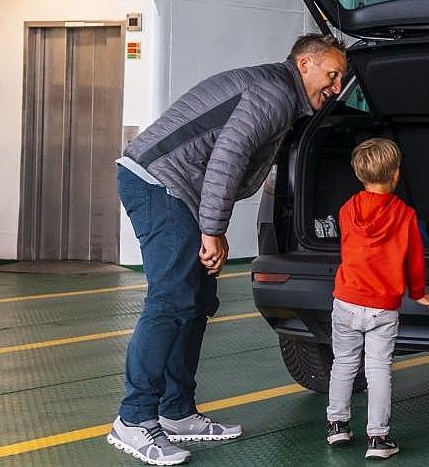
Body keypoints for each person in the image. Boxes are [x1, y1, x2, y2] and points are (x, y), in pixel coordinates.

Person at [107, 33, 347, 466]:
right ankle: (134, 419)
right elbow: (227, 158)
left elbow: (242, 161)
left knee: (196, 301)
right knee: (171, 300)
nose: (333, 87)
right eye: (331, 76)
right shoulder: (274, 93)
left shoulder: (284, 97)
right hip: (158, 182)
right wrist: (213, 229)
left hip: (179, 188)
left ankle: (177, 411)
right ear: (305, 64)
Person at [322, 138, 429, 460]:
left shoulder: (347, 210)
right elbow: (414, 261)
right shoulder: (405, 215)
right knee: (378, 369)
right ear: (396, 175)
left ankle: (337, 425)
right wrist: (418, 294)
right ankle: (378, 439)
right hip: (381, 307)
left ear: (360, 175)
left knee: (343, 363)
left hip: (346, 300)